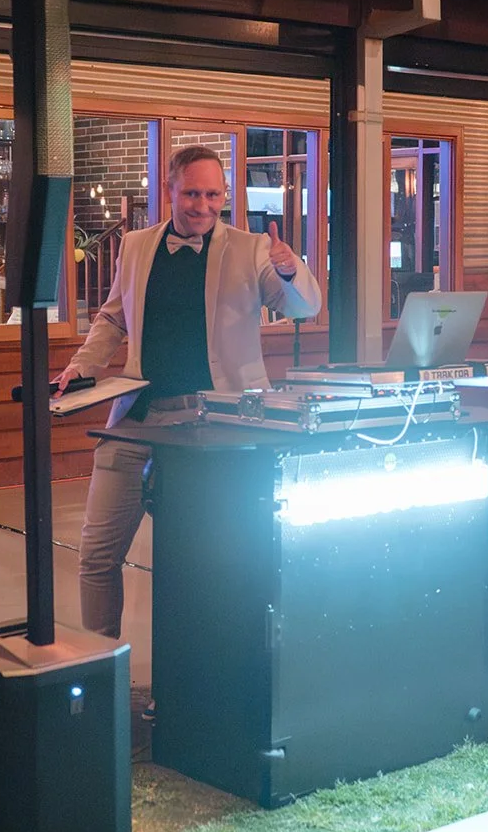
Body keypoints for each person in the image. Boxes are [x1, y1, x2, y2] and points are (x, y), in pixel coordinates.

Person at [58, 143, 322, 637]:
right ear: (170, 191)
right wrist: (81, 368)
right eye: (192, 194)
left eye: (213, 194)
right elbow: (113, 316)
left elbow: (304, 307)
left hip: (213, 424)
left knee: (200, 561)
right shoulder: (136, 244)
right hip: (137, 417)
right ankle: (100, 677)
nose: (202, 206)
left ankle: (194, 681)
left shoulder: (252, 249)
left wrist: (290, 268)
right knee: (96, 557)